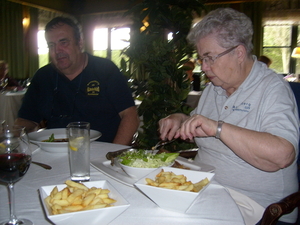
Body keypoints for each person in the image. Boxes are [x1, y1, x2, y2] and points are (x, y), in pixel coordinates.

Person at [159, 8, 299, 225]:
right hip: (204, 190)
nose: (203, 67)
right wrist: (179, 118)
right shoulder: (215, 87)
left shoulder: (272, 88)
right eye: (201, 59)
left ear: (239, 53)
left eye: (209, 58)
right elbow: (199, 123)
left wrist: (218, 128)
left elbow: (283, 154)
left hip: (257, 207)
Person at [15, 17, 139, 145]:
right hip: (54, 154)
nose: (57, 51)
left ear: (80, 43)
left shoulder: (105, 70)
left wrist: (112, 153)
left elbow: (130, 115)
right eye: (51, 45)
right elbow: (26, 120)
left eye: (63, 42)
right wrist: (17, 142)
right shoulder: (42, 77)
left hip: (102, 152)